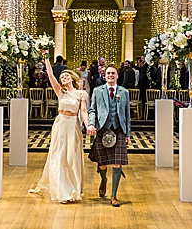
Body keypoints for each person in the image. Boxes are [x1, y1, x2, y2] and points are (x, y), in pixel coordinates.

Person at [29, 59, 89, 203]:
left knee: (72, 156)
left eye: (66, 76)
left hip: (73, 125)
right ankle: (63, 192)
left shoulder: (81, 93)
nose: (64, 78)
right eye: (62, 77)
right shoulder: (60, 91)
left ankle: (74, 187)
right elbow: (50, 75)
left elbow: (84, 112)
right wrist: (47, 60)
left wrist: (88, 126)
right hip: (61, 124)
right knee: (60, 155)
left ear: (72, 78)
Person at [87, 64, 131, 207]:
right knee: (103, 164)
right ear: (104, 76)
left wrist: (127, 133)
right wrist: (91, 124)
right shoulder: (97, 91)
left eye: (113, 73)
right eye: (108, 73)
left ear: (117, 76)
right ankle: (104, 180)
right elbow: (92, 109)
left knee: (117, 163)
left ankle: (114, 196)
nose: (111, 75)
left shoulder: (124, 92)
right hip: (102, 129)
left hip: (118, 130)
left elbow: (127, 115)